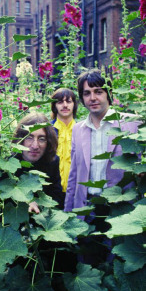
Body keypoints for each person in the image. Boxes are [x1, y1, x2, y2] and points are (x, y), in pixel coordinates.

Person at [64, 69, 139, 214]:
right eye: (87, 93)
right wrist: (68, 215)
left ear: (108, 94)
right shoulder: (78, 129)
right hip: (87, 208)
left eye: (98, 91)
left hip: (121, 207)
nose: (92, 98)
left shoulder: (131, 124)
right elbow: (74, 175)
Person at [12, 112, 65, 213]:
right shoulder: (7, 164)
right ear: (20, 139)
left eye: (41, 139)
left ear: (48, 142)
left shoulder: (52, 162)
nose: (35, 145)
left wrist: (39, 204)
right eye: (29, 137)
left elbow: (57, 196)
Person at [51, 88, 77, 192]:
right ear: (54, 106)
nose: (65, 105)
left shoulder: (83, 130)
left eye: (69, 101)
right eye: (60, 102)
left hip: (78, 190)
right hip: (52, 192)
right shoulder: (47, 130)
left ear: (74, 104)